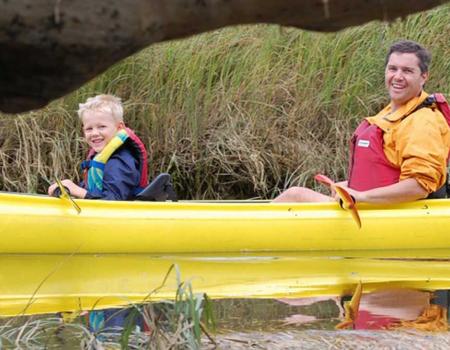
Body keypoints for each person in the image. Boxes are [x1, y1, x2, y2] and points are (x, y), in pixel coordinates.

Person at [274, 40, 450, 204]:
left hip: (392, 215)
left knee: (295, 195)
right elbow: (384, 174)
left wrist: (361, 196)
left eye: (407, 71)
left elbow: (419, 186)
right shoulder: (391, 113)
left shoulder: (423, 121)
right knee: (294, 195)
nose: (397, 76)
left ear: (424, 76)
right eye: (392, 69)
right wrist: (349, 186)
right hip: (373, 208)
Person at [48, 94, 148, 200]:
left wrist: (77, 190)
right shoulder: (102, 156)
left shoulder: (120, 162)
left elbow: (112, 203)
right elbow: (93, 190)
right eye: (89, 129)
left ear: (119, 127)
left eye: (102, 127)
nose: (94, 133)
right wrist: (69, 188)